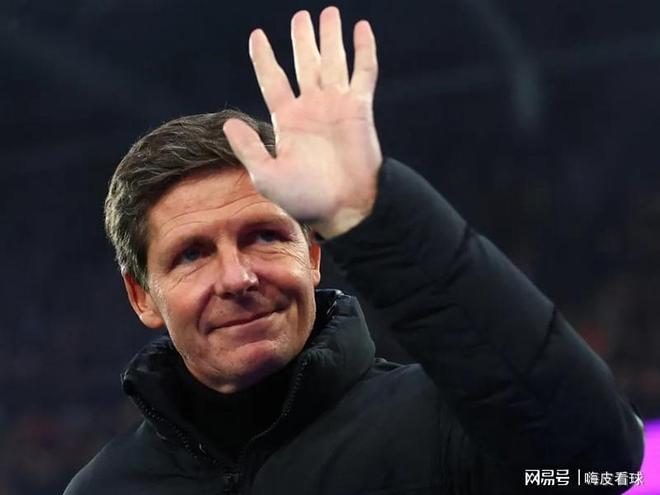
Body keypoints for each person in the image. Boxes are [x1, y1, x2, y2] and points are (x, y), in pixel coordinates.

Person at [64, 7, 643, 494]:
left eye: (265, 236)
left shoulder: (445, 426)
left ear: (313, 255)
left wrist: (373, 209)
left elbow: (599, 466)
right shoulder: (105, 488)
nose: (237, 277)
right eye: (191, 254)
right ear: (142, 296)